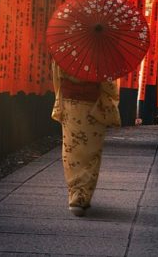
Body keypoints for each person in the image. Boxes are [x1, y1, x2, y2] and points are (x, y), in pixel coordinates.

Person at [50, 62, 121, 217]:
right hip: (93, 107)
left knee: (71, 150)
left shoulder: (64, 51)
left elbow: (57, 79)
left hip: (70, 106)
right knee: (91, 152)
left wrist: (60, 99)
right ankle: (83, 197)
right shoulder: (100, 53)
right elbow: (108, 85)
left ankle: (74, 194)